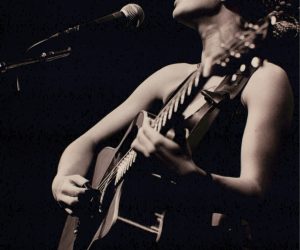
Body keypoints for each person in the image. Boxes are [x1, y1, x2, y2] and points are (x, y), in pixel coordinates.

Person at [52, 0, 298, 249]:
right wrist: (61, 182)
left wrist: (191, 175)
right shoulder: (171, 76)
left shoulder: (264, 79)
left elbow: (256, 194)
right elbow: (86, 142)